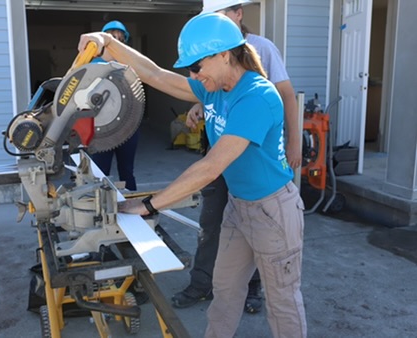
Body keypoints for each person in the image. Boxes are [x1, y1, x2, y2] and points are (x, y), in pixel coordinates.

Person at [78, 11, 307, 338]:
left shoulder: (257, 95)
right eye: (189, 68)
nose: (193, 74)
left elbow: (211, 166)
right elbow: (155, 75)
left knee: (282, 302)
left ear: (225, 55)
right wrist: (107, 46)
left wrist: (150, 205)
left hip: (273, 211)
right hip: (239, 207)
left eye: (197, 66)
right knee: (225, 290)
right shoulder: (213, 87)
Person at [172, 0, 301, 314]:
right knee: (211, 225)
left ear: (238, 13)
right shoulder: (209, 53)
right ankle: (203, 284)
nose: (214, 22)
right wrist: (200, 102)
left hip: (252, 160)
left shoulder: (261, 50)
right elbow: (209, 91)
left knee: (266, 249)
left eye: (219, 15)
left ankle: (252, 290)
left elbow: (283, 95)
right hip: (224, 159)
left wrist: (294, 142)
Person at [90, 20, 140, 191]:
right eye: (112, 37)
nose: (116, 41)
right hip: (102, 129)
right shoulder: (93, 65)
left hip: (128, 127)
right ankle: (101, 212)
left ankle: (133, 208)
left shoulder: (131, 65)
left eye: (120, 39)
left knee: (127, 172)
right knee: (100, 173)